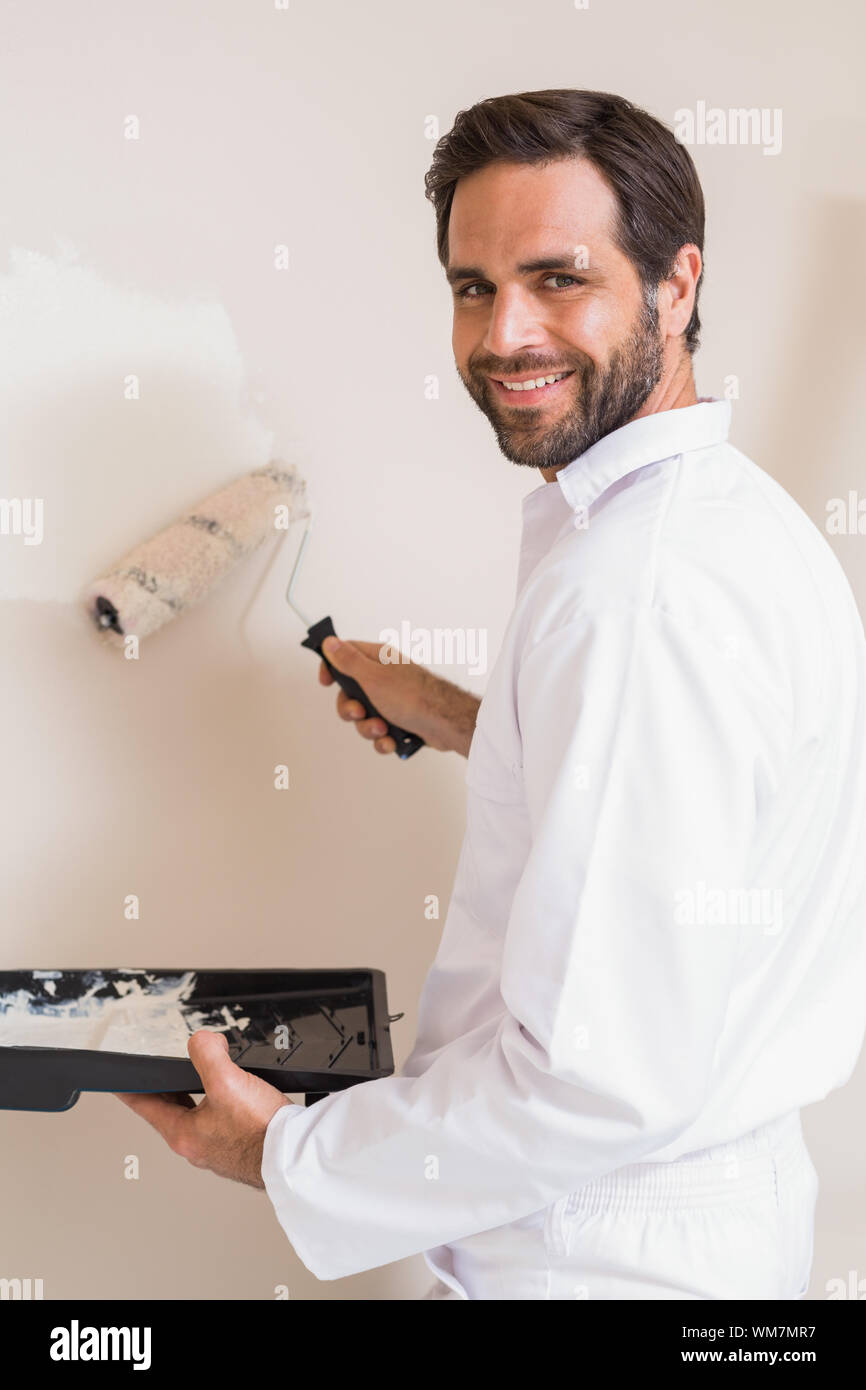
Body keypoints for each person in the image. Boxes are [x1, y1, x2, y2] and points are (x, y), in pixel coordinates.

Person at [118, 89, 866, 1301]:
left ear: (675, 286)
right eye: (472, 286)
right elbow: (701, 811)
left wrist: (282, 1155)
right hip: (698, 1240)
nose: (502, 333)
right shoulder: (732, 525)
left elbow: (597, 1080)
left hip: (601, 1262)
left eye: (556, 277)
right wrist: (474, 722)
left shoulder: (634, 591)